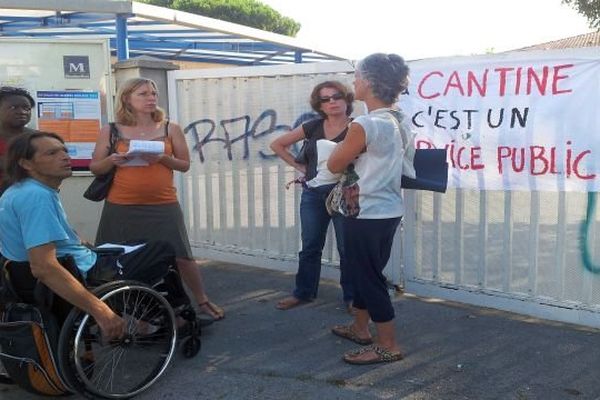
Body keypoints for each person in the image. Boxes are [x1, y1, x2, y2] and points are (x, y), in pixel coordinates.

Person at [89, 77, 224, 322]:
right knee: (115, 258)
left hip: (163, 205)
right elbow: (96, 167)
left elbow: (184, 165)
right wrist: (112, 160)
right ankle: (112, 313)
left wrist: (162, 158)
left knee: (182, 256)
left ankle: (202, 300)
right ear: (127, 98)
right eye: (143, 94)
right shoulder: (111, 130)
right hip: (121, 206)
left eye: (153, 94)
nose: (151, 98)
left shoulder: (170, 127)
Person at [327, 53, 413, 365]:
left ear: (370, 82)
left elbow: (335, 164)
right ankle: (360, 329)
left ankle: (388, 345)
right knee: (364, 272)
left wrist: (338, 149)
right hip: (387, 210)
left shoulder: (364, 124)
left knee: (367, 278)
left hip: (365, 212)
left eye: (357, 76)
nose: (354, 81)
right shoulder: (398, 119)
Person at [270, 80, 354, 312]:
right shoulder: (313, 126)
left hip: (345, 196)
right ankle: (303, 292)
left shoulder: (358, 127)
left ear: (347, 99)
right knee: (310, 246)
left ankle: (352, 298)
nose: (332, 102)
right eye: (325, 99)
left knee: (348, 249)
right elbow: (276, 144)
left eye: (336, 96)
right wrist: (301, 168)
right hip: (314, 195)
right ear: (320, 105)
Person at [0, 86, 36, 190]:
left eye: (27, 108)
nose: (22, 112)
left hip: (28, 196)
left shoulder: (37, 138)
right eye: (13, 107)